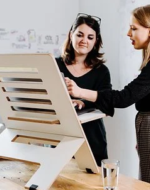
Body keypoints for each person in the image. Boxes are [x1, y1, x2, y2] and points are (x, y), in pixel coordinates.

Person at [65, 5, 150, 190]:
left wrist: (80, 92)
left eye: (134, 28)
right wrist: (144, 136)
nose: (129, 33)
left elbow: (124, 98)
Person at [55, 13, 112, 167]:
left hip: (92, 139)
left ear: (96, 41)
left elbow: (107, 103)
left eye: (90, 37)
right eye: (79, 35)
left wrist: (82, 102)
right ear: (71, 35)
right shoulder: (54, 65)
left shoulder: (102, 71)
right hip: (60, 139)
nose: (84, 41)